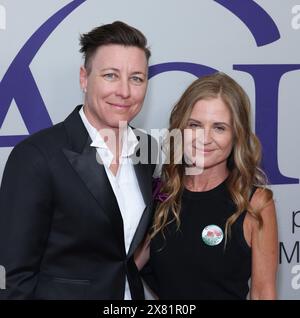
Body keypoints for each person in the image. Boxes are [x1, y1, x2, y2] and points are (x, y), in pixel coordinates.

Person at [0, 21, 157, 300]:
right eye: (110, 75)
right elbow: (16, 276)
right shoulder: (36, 156)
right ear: (84, 78)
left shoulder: (147, 148)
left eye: (136, 78)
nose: (124, 91)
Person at [136, 72, 278, 300]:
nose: (204, 138)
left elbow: (263, 293)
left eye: (219, 128)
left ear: (236, 135)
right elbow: (127, 270)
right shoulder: (161, 195)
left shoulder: (256, 203)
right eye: (195, 125)